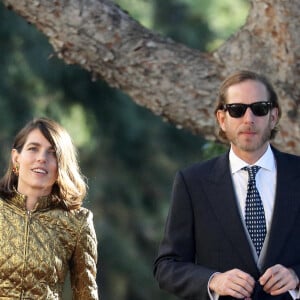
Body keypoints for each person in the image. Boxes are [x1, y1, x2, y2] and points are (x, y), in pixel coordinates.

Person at [154, 70, 300, 299]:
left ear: (273, 116)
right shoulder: (192, 182)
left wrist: (296, 276)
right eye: (237, 110)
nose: (248, 119)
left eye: (259, 108)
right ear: (222, 119)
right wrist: (214, 281)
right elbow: (167, 266)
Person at [0, 117, 98, 299]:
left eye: (52, 153)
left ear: (62, 164)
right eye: (33, 148)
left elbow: (86, 295)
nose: (41, 158)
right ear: (16, 159)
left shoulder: (77, 223)